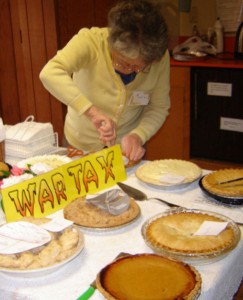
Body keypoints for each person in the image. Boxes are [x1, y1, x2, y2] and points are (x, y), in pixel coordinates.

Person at [39, 0, 170, 162]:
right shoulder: (90, 41)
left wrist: (139, 135)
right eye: (125, 63)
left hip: (126, 152)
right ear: (111, 43)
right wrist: (92, 113)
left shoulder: (159, 58)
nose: (132, 70)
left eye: (141, 67)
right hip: (80, 145)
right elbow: (50, 73)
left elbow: (158, 107)